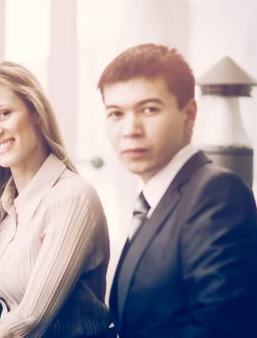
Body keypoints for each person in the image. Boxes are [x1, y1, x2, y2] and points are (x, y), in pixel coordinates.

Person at [99, 43, 257, 338]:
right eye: (116, 113)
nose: (130, 128)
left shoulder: (218, 194)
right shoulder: (151, 201)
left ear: (190, 113)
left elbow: (220, 328)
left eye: (149, 109)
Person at [0, 61, 113, 337]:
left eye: (3, 114)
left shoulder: (72, 197)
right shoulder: (4, 204)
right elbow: (5, 312)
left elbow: (28, 321)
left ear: (36, 112)